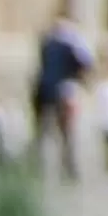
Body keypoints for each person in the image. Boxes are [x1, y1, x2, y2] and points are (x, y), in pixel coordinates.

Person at [30, 14, 91, 185]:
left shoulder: (46, 43)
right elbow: (84, 64)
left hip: (42, 91)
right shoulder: (69, 46)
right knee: (66, 133)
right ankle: (68, 168)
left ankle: (36, 166)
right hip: (61, 93)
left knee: (42, 132)